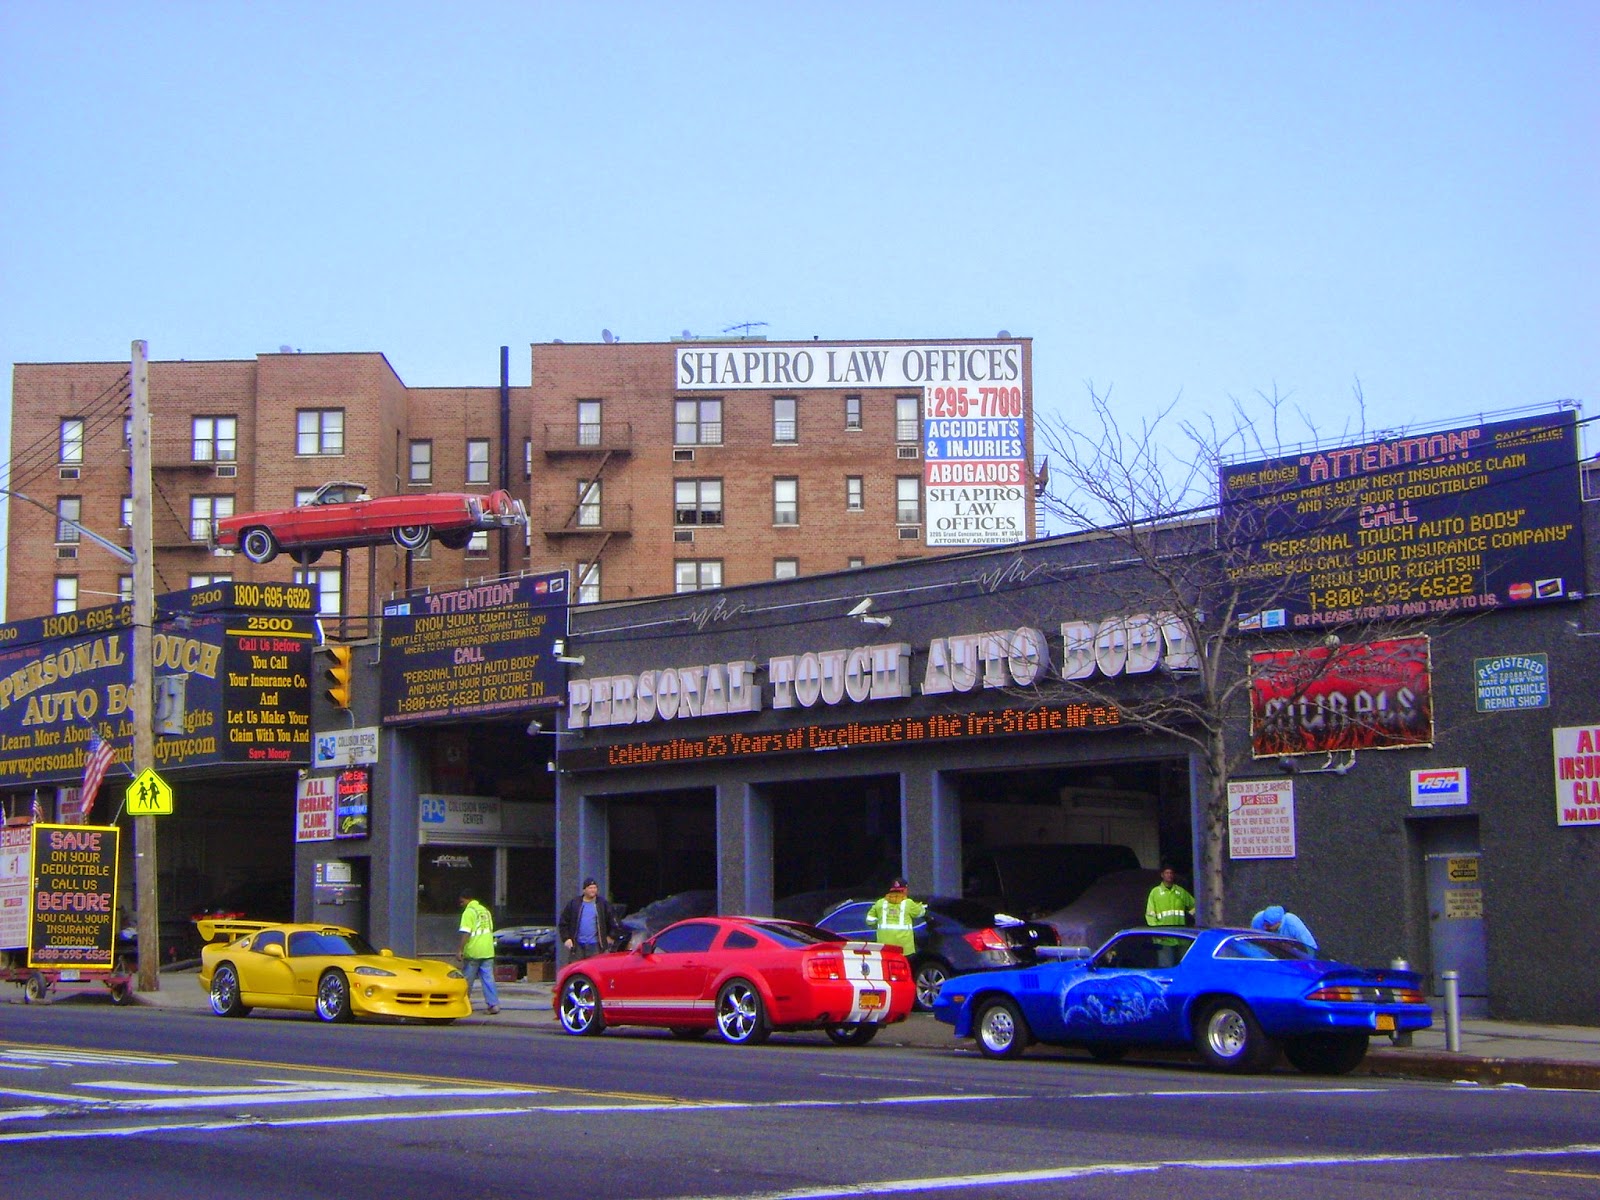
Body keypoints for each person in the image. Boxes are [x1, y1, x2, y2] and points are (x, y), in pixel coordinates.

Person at [456, 888, 500, 1015]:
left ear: (466, 899)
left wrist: (460, 949)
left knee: (467, 979)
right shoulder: (485, 911)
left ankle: (463, 1004)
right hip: (487, 950)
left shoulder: (469, 912)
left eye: (462, 902)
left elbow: (466, 932)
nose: (461, 904)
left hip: (474, 951)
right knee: (488, 978)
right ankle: (493, 1005)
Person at [1145, 863, 1196, 967]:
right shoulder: (1155, 893)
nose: (1169, 875)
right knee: (1166, 968)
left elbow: (1195, 907)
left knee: (1184, 967)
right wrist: (1158, 933)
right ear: (1162, 875)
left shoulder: (1180, 892)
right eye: (1167, 873)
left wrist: (1192, 921)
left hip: (1181, 937)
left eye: (1171, 873)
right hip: (1164, 939)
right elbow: (1150, 915)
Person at [559, 876, 616, 962]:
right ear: (584, 890)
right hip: (577, 946)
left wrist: (611, 936)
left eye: (595, 888)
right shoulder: (574, 903)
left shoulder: (602, 904)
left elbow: (614, 921)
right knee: (575, 970)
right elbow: (563, 922)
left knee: (595, 969)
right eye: (590, 888)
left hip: (596, 945)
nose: (593, 890)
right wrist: (566, 939)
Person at [865, 878, 926, 955]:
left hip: (885, 946)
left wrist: (878, 924)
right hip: (904, 948)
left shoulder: (880, 903)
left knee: (886, 966)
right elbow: (920, 913)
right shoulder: (909, 903)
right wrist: (920, 906)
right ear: (904, 890)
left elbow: (870, 920)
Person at [1251, 904, 1318, 951]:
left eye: (1269, 925)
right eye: (1264, 923)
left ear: (1279, 922)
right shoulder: (1257, 920)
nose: (1264, 927)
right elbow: (1253, 941)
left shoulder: (1293, 924)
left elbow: (1310, 945)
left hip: (1289, 950)